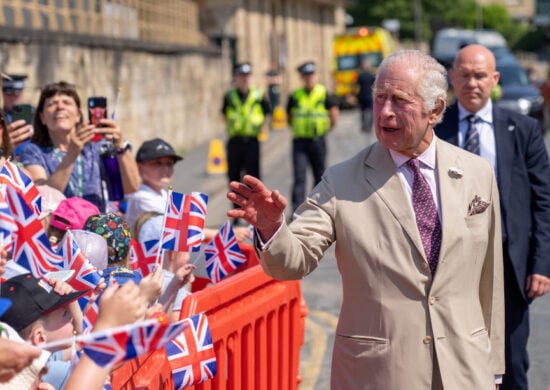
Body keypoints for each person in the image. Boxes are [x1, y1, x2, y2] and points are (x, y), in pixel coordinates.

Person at [228, 50, 504, 389]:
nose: (385, 112)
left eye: (399, 100)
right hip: (380, 373)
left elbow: (489, 279)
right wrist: (271, 228)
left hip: (464, 369)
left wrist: (493, 366)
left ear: (435, 110)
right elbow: (293, 261)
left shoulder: (477, 173)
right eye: (379, 98)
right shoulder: (341, 180)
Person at [434, 44, 550, 390]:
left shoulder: (523, 129)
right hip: (449, 266)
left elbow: (543, 200)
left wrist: (541, 263)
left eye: (480, 75)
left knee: (512, 362)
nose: (472, 83)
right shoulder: (435, 129)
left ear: (494, 79)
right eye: (465, 75)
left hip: (508, 266)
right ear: (452, 78)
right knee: (454, 363)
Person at [18, 81, 139, 211]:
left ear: (78, 115)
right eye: (52, 104)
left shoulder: (96, 147)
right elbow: (42, 198)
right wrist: (72, 154)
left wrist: (120, 146)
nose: (60, 107)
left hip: (97, 227)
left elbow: (132, 188)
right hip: (59, 229)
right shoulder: (33, 152)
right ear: (42, 117)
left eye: (67, 102)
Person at [222, 62, 271, 223]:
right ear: (236, 77)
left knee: (253, 178)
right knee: (234, 178)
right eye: (241, 76)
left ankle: (255, 210)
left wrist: (264, 129)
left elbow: (267, 112)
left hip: (252, 141)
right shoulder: (229, 96)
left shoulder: (258, 94)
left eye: (247, 76)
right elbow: (223, 114)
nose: (244, 79)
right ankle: (237, 212)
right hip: (235, 141)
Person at [287, 61, 339, 211]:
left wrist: (325, 129)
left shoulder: (323, 93)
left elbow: (333, 112)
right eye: (306, 76)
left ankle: (319, 208)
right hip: (300, 142)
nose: (309, 79)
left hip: (318, 140)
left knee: (320, 175)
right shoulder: (295, 96)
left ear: (315, 76)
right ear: (302, 78)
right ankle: (297, 209)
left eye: (311, 75)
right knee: (299, 176)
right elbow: (289, 116)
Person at [124, 137, 183, 229]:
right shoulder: (141, 197)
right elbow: (175, 229)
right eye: (157, 163)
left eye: (169, 163)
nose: (165, 168)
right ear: (139, 168)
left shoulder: (163, 194)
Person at [2, 74, 34, 154]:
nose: (13, 98)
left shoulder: (38, 115)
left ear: (22, 93)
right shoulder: (1, 117)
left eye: (16, 94)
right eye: (9, 94)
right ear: (3, 94)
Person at [356, 58, 375, 132]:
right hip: (369, 95)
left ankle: (363, 126)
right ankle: (369, 127)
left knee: (362, 112)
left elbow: (357, 85)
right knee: (371, 111)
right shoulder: (371, 75)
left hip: (361, 96)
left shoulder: (360, 76)